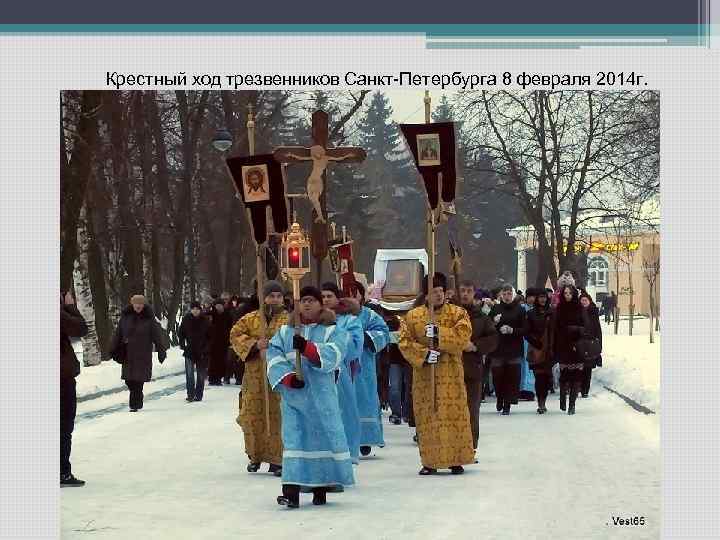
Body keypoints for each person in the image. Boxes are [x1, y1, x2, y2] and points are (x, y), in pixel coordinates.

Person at [267, 286, 354, 508]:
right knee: (294, 441)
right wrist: (287, 378)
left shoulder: (332, 330)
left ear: (320, 304)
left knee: (320, 440)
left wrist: (308, 349)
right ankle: (291, 491)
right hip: (294, 399)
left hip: (321, 399)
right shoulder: (285, 332)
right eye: (303, 300)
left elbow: (336, 353)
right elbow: (273, 356)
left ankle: (320, 488)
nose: (307, 304)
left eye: (311, 300)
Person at [399, 272, 475, 475]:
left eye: (441, 291)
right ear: (426, 294)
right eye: (434, 292)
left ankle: (456, 459)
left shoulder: (458, 313)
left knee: (453, 416)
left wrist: (440, 333)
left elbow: (463, 336)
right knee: (429, 417)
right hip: (425, 375)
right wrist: (423, 355)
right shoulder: (413, 316)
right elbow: (405, 342)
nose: (439, 295)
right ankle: (430, 462)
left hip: (451, 371)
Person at [230, 280, 289, 475]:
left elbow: (292, 342)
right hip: (255, 377)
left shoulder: (288, 320)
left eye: (278, 296)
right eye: (271, 296)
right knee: (252, 415)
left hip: (278, 376)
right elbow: (235, 334)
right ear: (264, 297)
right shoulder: (251, 319)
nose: (275, 299)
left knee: (278, 416)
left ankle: (277, 458)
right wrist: (255, 345)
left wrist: (272, 348)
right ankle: (255, 455)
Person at [319, 283, 364, 464]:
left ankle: (349, 450)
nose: (326, 300)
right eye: (322, 296)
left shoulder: (349, 320)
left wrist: (337, 339)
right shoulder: (314, 320)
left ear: (338, 298)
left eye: (329, 296)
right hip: (319, 372)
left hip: (341, 371)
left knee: (345, 410)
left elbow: (355, 347)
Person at [351, 282, 391, 457]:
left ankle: (365, 438)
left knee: (364, 399)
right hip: (342, 365)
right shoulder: (335, 316)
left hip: (363, 365)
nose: (352, 298)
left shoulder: (368, 315)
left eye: (355, 294)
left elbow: (384, 332)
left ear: (361, 296)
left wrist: (367, 338)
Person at [458, 281, 498, 451]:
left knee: (472, 409)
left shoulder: (481, 317)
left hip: (472, 369)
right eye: (462, 291)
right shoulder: (450, 314)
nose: (465, 294)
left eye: (468, 291)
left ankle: (471, 446)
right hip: (450, 370)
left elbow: (493, 339)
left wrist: (475, 346)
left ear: (474, 293)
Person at [110, 295, 169, 412]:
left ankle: (134, 405)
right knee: (129, 380)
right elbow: (118, 334)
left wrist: (161, 351)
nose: (138, 306)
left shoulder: (149, 319)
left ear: (144, 305)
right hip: (128, 354)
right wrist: (112, 348)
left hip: (143, 354)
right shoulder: (125, 317)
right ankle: (137, 398)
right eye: (136, 304)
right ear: (132, 304)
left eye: (140, 304)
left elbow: (157, 336)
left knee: (138, 380)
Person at [487, 284, 529, 415]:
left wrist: (512, 330)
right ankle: (500, 396)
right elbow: (487, 328)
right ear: (501, 295)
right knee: (498, 376)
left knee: (512, 377)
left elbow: (525, 329)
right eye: (504, 294)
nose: (507, 296)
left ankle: (507, 404)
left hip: (514, 348)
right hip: (498, 348)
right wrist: (493, 323)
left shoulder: (520, 310)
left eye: (509, 294)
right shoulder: (495, 308)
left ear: (513, 295)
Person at [60, 291, 88, 487]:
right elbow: (80, 328)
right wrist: (69, 306)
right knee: (63, 426)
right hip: (61, 377)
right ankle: (62, 472)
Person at [553, 285, 586, 415]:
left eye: (569, 293)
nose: (567, 295)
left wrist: (575, 329)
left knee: (576, 376)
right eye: (565, 293)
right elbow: (555, 328)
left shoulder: (579, 308)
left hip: (577, 345)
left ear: (573, 294)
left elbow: (586, 326)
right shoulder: (559, 308)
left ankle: (572, 404)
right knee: (564, 375)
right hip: (563, 345)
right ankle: (562, 399)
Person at [526, 289, 555, 414]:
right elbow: (526, 332)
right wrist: (535, 342)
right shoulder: (531, 313)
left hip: (549, 349)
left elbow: (556, 330)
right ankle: (541, 403)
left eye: (544, 297)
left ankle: (544, 399)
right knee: (539, 378)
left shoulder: (552, 312)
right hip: (536, 349)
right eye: (540, 297)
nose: (542, 299)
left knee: (547, 377)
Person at [178, 301, 210, 402]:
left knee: (201, 375)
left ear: (200, 310)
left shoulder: (205, 320)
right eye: (193, 309)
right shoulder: (186, 319)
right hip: (190, 350)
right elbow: (181, 333)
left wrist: (206, 348)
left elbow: (210, 336)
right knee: (189, 374)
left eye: (197, 309)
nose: (195, 311)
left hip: (202, 351)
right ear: (191, 310)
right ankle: (190, 394)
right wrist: (182, 344)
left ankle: (199, 394)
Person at [579, 290, 603, 398]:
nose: (584, 302)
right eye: (582, 300)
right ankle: (579, 386)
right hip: (580, 344)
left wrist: (599, 344)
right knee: (579, 367)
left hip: (591, 344)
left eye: (585, 300)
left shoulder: (593, 312)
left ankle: (585, 390)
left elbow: (598, 329)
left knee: (588, 368)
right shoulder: (577, 313)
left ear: (589, 301)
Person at [207, 298, 233, 385]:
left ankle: (218, 378)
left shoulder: (227, 315)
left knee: (222, 361)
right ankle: (212, 378)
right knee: (213, 361)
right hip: (213, 342)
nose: (218, 307)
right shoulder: (211, 315)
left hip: (224, 341)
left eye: (220, 305)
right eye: (217, 305)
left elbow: (231, 327)